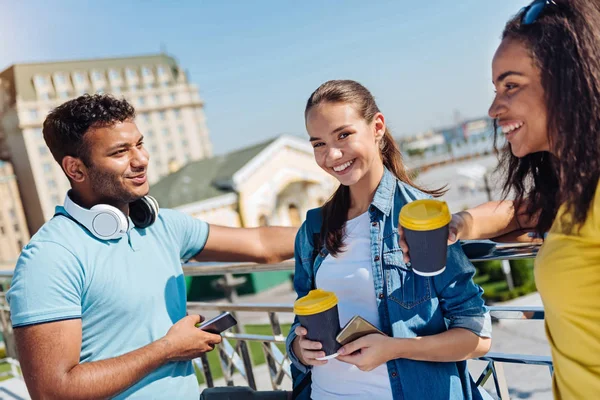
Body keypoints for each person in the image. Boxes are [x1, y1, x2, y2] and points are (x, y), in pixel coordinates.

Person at [5, 94, 297, 399]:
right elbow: (53, 392)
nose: (141, 159)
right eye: (120, 152)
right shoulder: (50, 257)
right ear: (76, 170)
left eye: (139, 144)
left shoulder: (161, 225)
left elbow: (261, 244)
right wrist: (167, 349)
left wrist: (342, 226)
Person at [400, 1, 600, 398]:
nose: (493, 108)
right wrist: (460, 225)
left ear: (570, 80)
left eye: (511, 85)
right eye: (495, 89)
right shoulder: (576, 192)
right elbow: (518, 210)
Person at [285, 80, 493, 400]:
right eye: (318, 144)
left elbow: (478, 337)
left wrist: (394, 349)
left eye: (343, 135)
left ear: (377, 126)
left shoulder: (421, 219)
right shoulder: (313, 229)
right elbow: (301, 323)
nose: (332, 154)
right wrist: (299, 348)